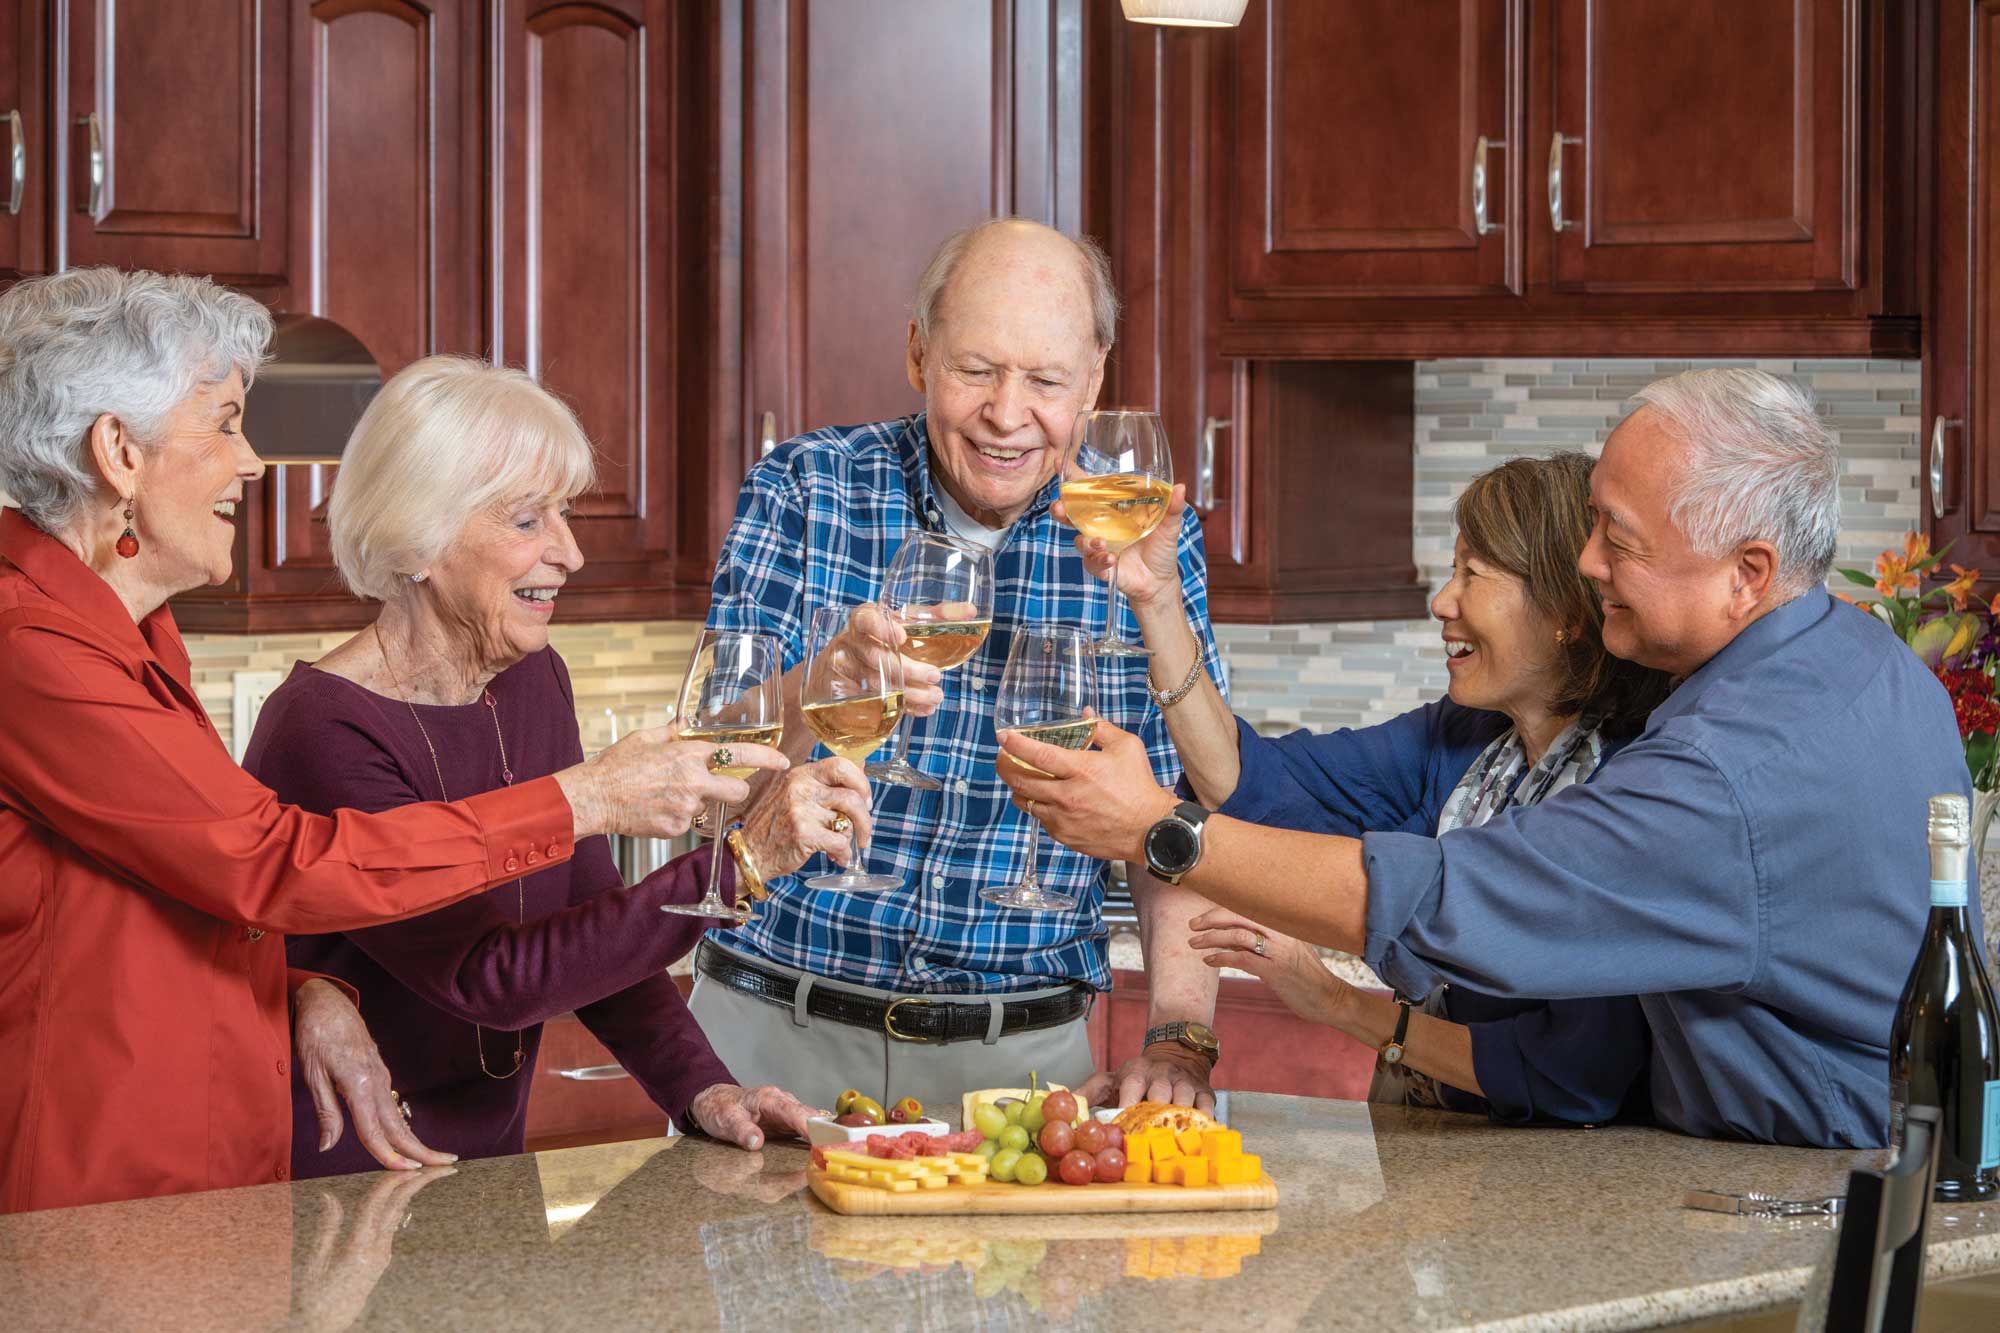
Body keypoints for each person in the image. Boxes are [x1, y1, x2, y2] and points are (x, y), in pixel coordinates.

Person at [1001, 369, 1970, 1149]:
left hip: (1813, 1184)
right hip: (1871, 1161)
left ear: (1746, 574)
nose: (1589, 566)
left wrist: (1156, 834)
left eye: (1616, 539)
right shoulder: (1861, 663)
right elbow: (1267, 782)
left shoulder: (1720, 770)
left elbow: (1459, 899)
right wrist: (1159, 605)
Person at [0, 270, 769, 1212]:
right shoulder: (34, 650)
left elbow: (187, 894)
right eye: (227, 421)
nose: (253, 463)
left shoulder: (133, 632)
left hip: (209, 1173)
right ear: (119, 450)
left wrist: (299, 982)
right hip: (121, 1182)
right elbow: (273, 865)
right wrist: (599, 802)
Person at [245, 357, 864, 1174]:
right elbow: (487, 977)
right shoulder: (323, 727)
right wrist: (741, 861)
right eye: (528, 520)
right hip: (346, 1176)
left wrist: (704, 1089)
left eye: (564, 513)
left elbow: (592, 926)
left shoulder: (533, 677)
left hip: (494, 1165)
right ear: (420, 538)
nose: (570, 551)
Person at [688, 218, 1230, 1118]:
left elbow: (1181, 810)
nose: (1007, 414)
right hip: (769, 1034)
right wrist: (819, 682)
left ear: (1093, 378)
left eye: (1046, 380)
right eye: (976, 370)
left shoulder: (1136, 534)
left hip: (1024, 1059)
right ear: (918, 355)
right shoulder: (807, 487)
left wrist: (1180, 1032)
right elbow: (703, 775)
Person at [1180, 454, 1671, 1124]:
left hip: (1566, 1183)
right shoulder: (1463, 738)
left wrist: (1338, 1002)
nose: (1442, 600)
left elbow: (1571, 1074)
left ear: (1565, 611)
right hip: (1433, 1139)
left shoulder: (1632, 786)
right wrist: (1155, 599)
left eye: (1473, 573)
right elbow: (1243, 781)